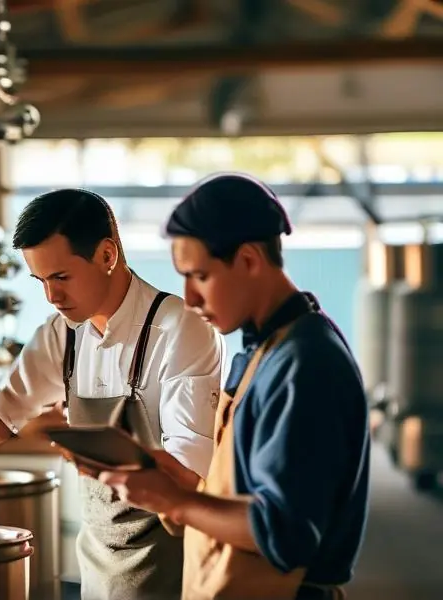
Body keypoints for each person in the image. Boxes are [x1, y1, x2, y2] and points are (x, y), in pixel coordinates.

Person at [94, 173, 371, 600]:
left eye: (200, 276)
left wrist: (179, 503)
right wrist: (172, 481)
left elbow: (284, 533)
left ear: (249, 260)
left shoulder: (305, 364)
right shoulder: (267, 349)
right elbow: (242, 493)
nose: (189, 298)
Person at [0, 188, 225, 600]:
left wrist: (100, 455)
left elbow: (189, 478)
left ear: (107, 255)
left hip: (170, 568)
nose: (51, 296)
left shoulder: (181, 329)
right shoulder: (61, 334)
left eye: (61, 277)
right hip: (98, 572)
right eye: (41, 281)